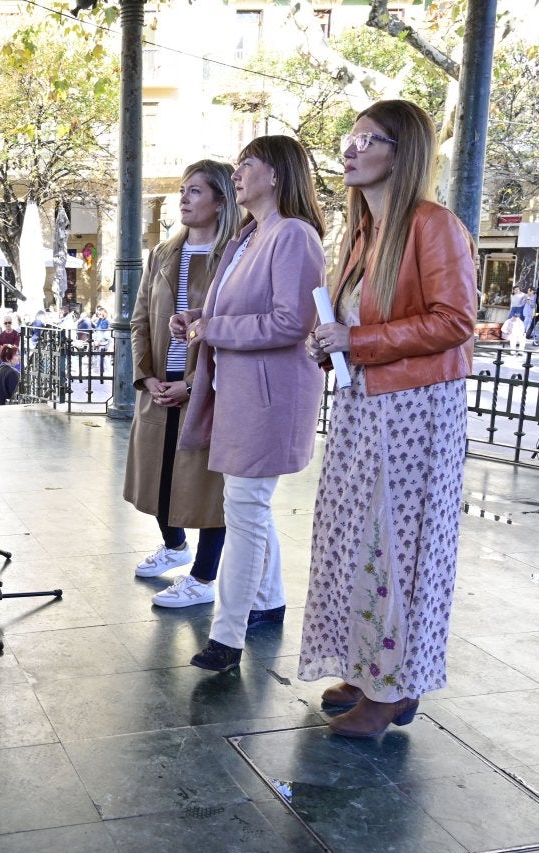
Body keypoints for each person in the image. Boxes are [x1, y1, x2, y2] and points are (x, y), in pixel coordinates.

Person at [301, 100, 478, 738]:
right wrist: (328, 344)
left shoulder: (434, 225)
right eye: (347, 140)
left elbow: (455, 321)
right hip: (363, 408)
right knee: (352, 541)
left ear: (400, 154)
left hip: (412, 412)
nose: (349, 151)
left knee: (394, 547)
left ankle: (393, 689)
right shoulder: (364, 233)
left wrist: (357, 343)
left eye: (367, 140)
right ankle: (370, 669)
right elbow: (356, 322)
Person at [174, 135, 326, 674]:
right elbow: (235, 313)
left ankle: (227, 636)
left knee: (243, 511)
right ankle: (264, 603)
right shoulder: (249, 236)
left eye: (248, 164)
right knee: (248, 509)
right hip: (239, 394)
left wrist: (213, 328)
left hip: (269, 400)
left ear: (278, 173)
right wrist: (196, 324)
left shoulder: (294, 236)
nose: (237, 173)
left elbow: (292, 323)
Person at [124, 160, 238, 608]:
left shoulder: (234, 257)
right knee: (155, 473)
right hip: (159, 384)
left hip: (209, 389)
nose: (184, 199)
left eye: (195, 191)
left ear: (220, 200)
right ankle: (173, 546)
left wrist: (192, 385)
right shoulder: (163, 254)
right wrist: (147, 376)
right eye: (183, 190)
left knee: (210, 487)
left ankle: (203, 578)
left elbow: (231, 329)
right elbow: (137, 321)